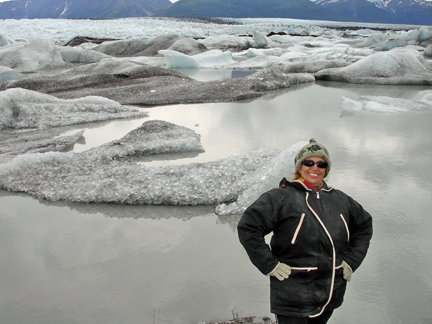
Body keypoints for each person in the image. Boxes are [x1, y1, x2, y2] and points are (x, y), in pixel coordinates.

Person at [237, 139, 373, 324]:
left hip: (330, 292)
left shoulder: (341, 200)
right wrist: (270, 265)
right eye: (308, 162)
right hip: (293, 295)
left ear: (326, 169)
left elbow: (364, 225)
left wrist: (351, 261)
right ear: (299, 167)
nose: (314, 168)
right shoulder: (281, 197)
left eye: (321, 164)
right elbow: (248, 227)